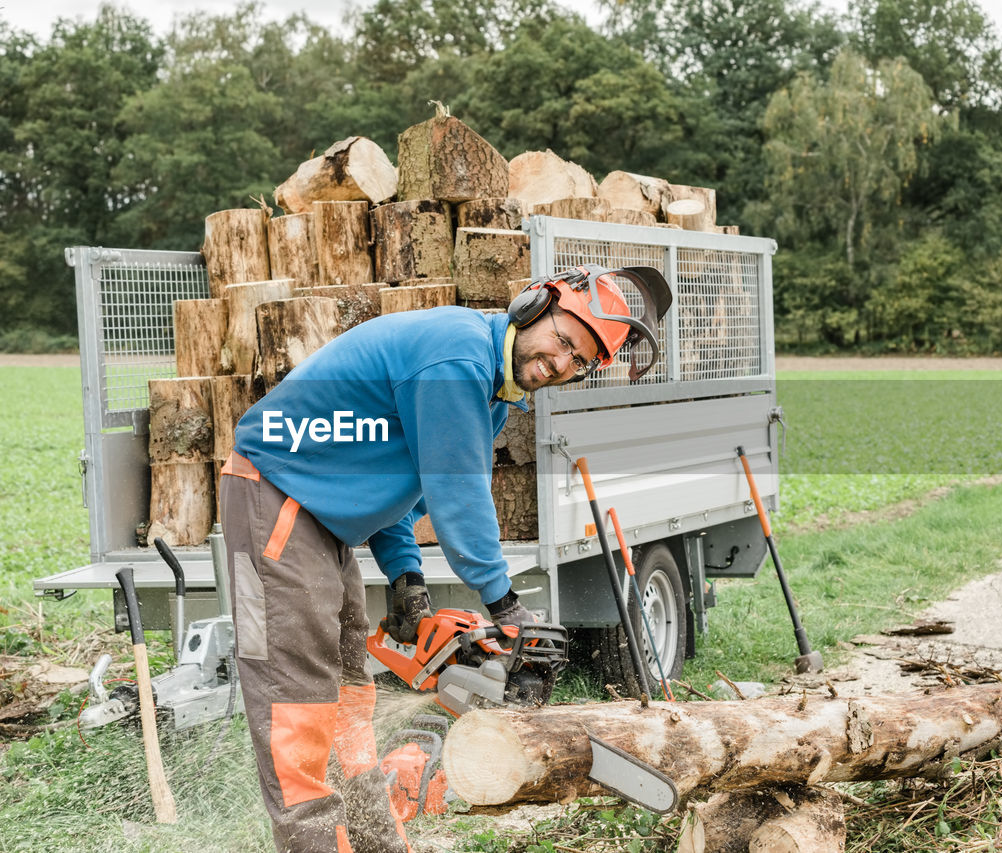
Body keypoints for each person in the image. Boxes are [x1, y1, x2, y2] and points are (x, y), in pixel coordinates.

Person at [218, 264, 671, 853]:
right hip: (274, 496)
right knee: (296, 690)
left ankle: (373, 836)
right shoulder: (455, 358)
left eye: (578, 362)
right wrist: (505, 605)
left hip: (322, 521)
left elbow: (405, 486)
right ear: (534, 307)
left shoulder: (487, 394)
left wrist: (405, 574)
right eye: (563, 340)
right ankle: (313, 843)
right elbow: (460, 496)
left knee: (350, 689)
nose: (561, 365)